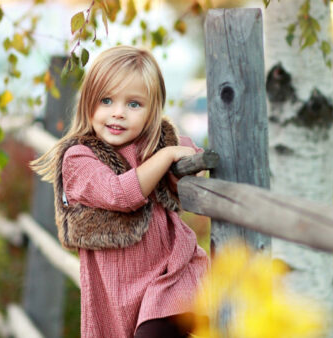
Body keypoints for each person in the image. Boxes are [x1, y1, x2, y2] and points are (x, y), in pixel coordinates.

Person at [30, 45, 208, 338]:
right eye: (107, 100)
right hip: (116, 293)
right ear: (88, 103)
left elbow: (186, 171)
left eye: (134, 104)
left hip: (171, 279)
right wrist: (165, 158)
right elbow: (118, 195)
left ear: (152, 110)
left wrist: (182, 160)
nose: (118, 114)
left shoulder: (156, 144)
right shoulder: (80, 158)